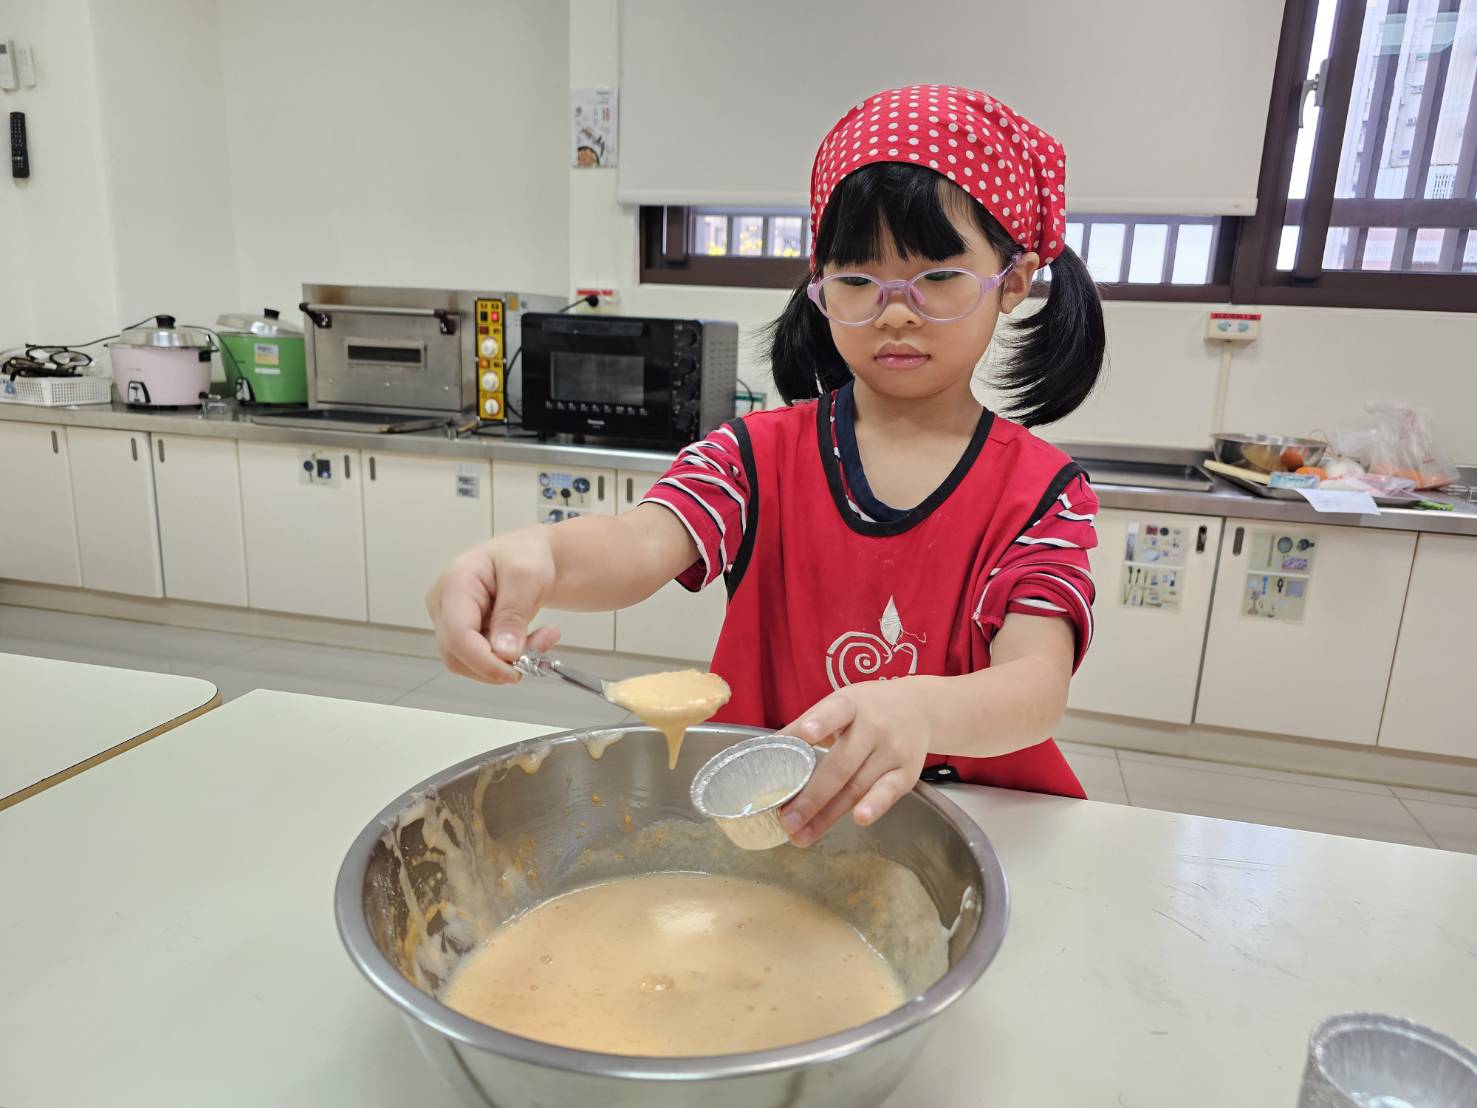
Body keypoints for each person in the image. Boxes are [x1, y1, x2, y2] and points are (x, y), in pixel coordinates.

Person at [427, 85, 1105, 847]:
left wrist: (919, 709)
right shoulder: (753, 457)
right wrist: (535, 558)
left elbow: (1034, 686)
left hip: (975, 826)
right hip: (776, 814)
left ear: (1011, 281)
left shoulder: (1041, 493)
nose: (894, 311)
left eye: (938, 277)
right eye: (857, 280)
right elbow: (640, 543)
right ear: (820, 287)